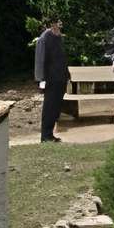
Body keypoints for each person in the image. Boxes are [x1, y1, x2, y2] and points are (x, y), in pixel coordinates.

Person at [33, 13, 69, 142]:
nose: (60, 23)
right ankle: (45, 136)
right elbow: (40, 60)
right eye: (58, 21)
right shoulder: (45, 38)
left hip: (60, 78)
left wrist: (67, 75)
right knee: (49, 107)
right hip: (50, 78)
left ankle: (50, 134)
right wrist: (41, 80)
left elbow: (62, 58)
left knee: (56, 108)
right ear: (52, 23)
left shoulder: (58, 37)